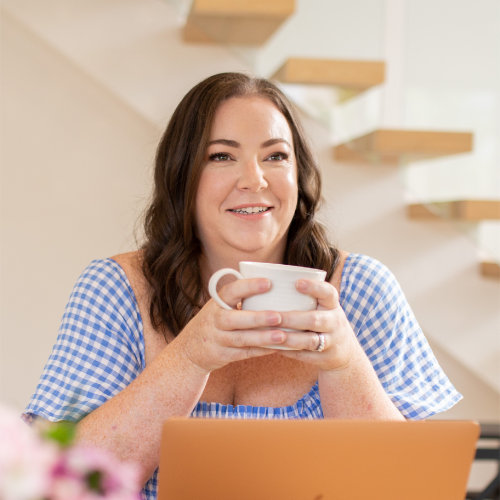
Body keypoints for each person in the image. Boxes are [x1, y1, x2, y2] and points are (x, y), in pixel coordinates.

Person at [23, 72, 461, 499]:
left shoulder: (362, 289)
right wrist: (190, 358)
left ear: (299, 174)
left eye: (276, 156)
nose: (255, 179)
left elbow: (410, 490)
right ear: (183, 177)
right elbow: (57, 484)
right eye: (221, 156)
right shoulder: (116, 290)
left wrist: (344, 363)